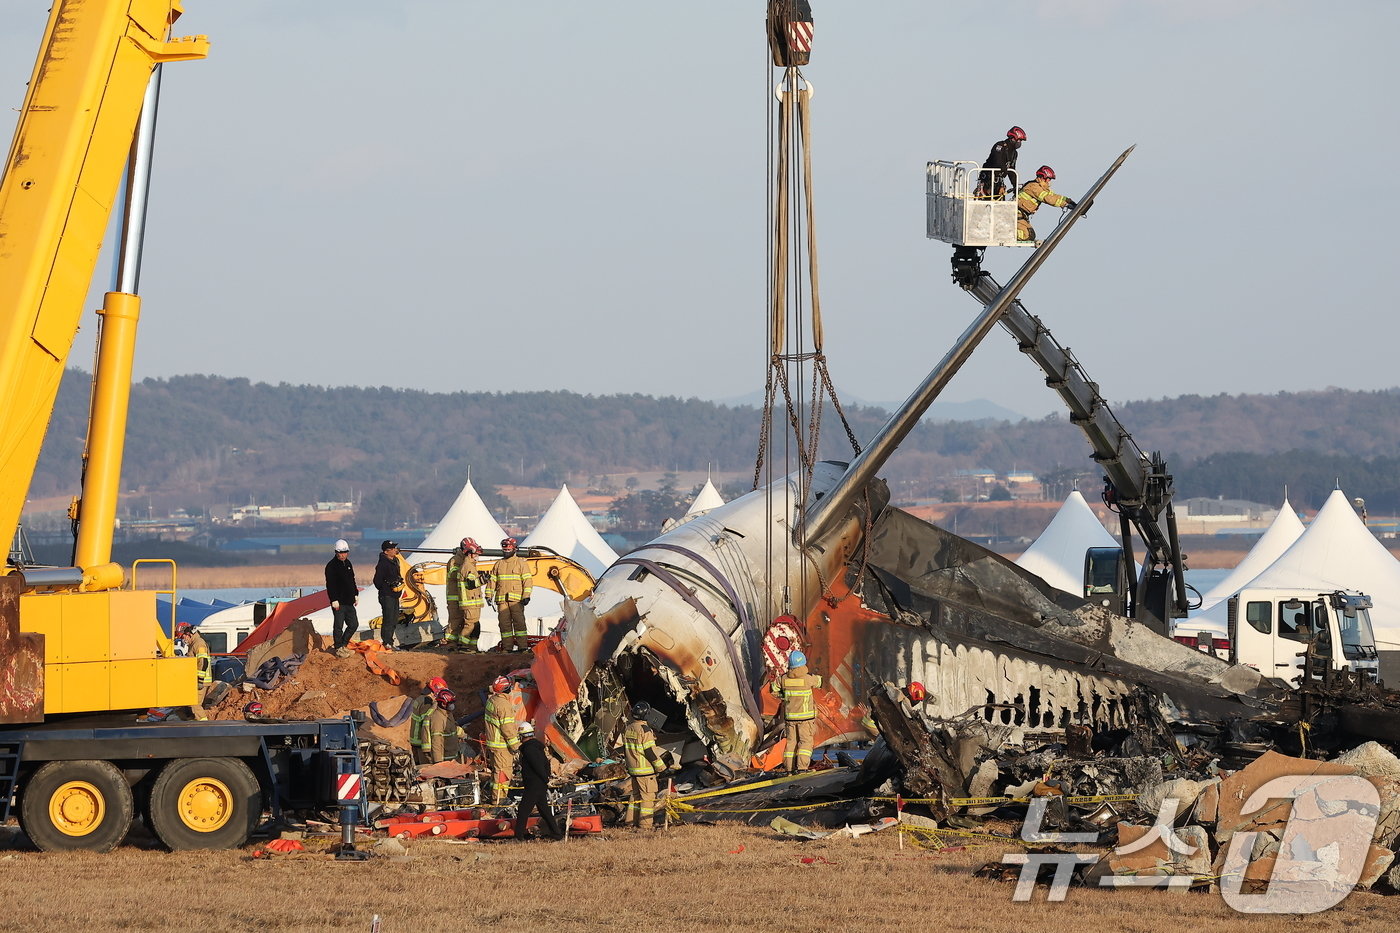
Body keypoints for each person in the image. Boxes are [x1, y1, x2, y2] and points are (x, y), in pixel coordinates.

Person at [770, 649, 822, 772]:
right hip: (806, 719)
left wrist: (783, 696)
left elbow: (773, 689)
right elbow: (820, 681)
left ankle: (789, 769)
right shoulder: (808, 678)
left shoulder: (783, 679)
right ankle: (802, 768)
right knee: (805, 743)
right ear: (803, 663)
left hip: (790, 719)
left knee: (791, 744)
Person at [513, 720, 563, 841]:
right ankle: (557, 834)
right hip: (539, 784)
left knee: (523, 810)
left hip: (534, 785)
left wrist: (545, 779)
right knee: (544, 810)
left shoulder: (529, 750)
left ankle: (518, 836)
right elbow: (546, 764)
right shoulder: (536, 748)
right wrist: (545, 779)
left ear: (522, 736)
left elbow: (538, 766)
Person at [622, 701, 667, 829]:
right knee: (648, 797)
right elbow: (649, 752)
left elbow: (626, 750)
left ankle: (630, 822)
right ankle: (645, 825)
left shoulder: (629, 728)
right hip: (645, 771)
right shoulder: (645, 730)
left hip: (633, 769)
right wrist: (661, 767)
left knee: (635, 796)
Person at [483, 675, 521, 804]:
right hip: (502, 747)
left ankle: (496, 798)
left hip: (493, 745)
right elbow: (508, 729)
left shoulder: (492, 700)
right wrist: (516, 747)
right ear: (507, 688)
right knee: (503, 775)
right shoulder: (503, 705)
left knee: (496, 773)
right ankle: (500, 801)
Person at [491, 537, 533, 652]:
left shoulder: (521, 563)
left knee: (519, 624)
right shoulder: (498, 564)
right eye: (505, 549)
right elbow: (492, 581)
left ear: (514, 549)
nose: (506, 551)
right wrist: (488, 595)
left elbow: (527, 581)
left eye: (509, 549)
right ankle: (507, 648)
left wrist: (526, 596)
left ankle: (522, 647)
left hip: (517, 600)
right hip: (501, 600)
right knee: (504, 625)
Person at [445, 537, 486, 651]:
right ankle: (451, 645)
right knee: (455, 622)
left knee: (468, 623)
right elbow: (455, 576)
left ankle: (469, 646)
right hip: (455, 598)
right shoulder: (455, 561)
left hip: (465, 597)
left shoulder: (468, 563)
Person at [1016, 165, 1076, 242]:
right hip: (1015, 215)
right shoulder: (1033, 187)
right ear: (1042, 177)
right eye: (1048, 179)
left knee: (1030, 235)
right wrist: (1065, 204)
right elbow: (1047, 198)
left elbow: (1054, 196)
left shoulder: (1040, 187)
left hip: (1021, 216)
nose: (1049, 182)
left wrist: (1068, 200)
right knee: (1026, 235)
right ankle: (1005, 233)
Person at [324, 539, 359, 651]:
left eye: (345, 552)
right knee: (338, 626)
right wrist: (333, 599)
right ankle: (338, 646)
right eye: (340, 553)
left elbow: (352, 580)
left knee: (353, 624)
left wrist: (355, 594)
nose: (343, 555)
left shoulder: (348, 564)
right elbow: (330, 585)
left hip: (349, 600)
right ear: (336, 552)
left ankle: (343, 644)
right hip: (338, 602)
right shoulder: (331, 566)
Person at [976, 125, 1026, 200]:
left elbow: (1011, 170)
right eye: (1019, 140)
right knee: (986, 201)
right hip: (987, 180)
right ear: (1013, 139)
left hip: (999, 183)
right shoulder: (1000, 146)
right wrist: (1004, 168)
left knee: (999, 204)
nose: (1020, 143)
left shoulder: (1014, 153)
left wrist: (1015, 186)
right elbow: (997, 162)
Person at [176, 622, 213, 721]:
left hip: (201, 681)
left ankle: (204, 725)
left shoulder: (199, 643)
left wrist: (200, 680)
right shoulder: (194, 643)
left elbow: (203, 662)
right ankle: (194, 722)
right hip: (197, 680)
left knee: (195, 704)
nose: (183, 639)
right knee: (190, 703)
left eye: (183, 636)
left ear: (189, 633)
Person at [372, 540, 404, 649]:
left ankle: (390, 641)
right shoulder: (382, 564)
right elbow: (377, 581)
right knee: (388, 618)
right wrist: (387, 588)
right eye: (393, 548)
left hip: (395, 595)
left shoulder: (395, 561)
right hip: (386, 595)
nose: (395, 550)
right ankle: (386, 642)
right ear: (386, 551)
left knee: (394, 618)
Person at [428, 689, 462, 765]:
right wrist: (438, 763)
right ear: (443, 704)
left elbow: (451, 729)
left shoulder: (448, 714)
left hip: (453, 757)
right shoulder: (437, 718)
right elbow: (436, 742)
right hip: (446, 760)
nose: (453, 705)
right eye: (451, 703)